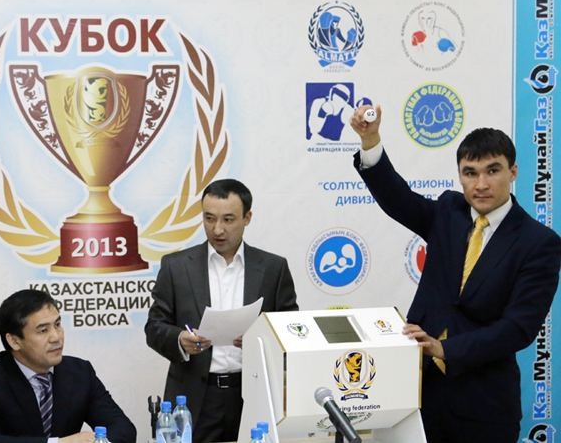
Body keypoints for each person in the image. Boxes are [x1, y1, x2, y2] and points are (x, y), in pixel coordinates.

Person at [350, 106, 560, 443]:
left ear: (513, 172)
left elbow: (518, 328)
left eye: (492, 171)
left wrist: (444, 348)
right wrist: (370, 141)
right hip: (416, 394)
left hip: (484, 405)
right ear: (460, 176)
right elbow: (397, 198)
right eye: (470, 173)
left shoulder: (538, 242)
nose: (481, 184)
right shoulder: (449, 211)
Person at [145, 178, 298, 443]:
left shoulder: (273, 268)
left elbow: (291, 330)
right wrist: (179, 340)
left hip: (253, 392)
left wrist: (260, 341)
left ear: (247, 218)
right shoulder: (176, 267)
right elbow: (154, 327)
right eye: (209, 218)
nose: (217, 229)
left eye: (228, 220)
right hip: (193, 399)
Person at [0, 289, 136, 443]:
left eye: (57, 325)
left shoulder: (80, 372)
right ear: (14, 341)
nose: (56, 337)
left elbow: (123, 428)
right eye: (43, 330)